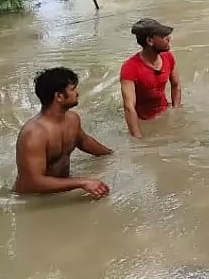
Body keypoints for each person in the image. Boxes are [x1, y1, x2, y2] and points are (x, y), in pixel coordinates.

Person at [14, 67, 113, 197]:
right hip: (31, 199)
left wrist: (112, 155)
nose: (77, 93)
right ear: (59, 96)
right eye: (72, 89)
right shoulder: (35, 134)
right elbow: (33, 182)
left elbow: (84, 141)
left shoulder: (72, 119)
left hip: (59, 191)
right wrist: (82, 182)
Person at [121, 18, 182, 139]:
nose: (169, 39)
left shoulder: (168, 57)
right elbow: (129, 106)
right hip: (143, 119)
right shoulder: (130, 68)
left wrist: (176, 110)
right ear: (150, 41)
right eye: (164, 36)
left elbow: (176, 85)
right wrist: (137, 136)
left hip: (164, 111)